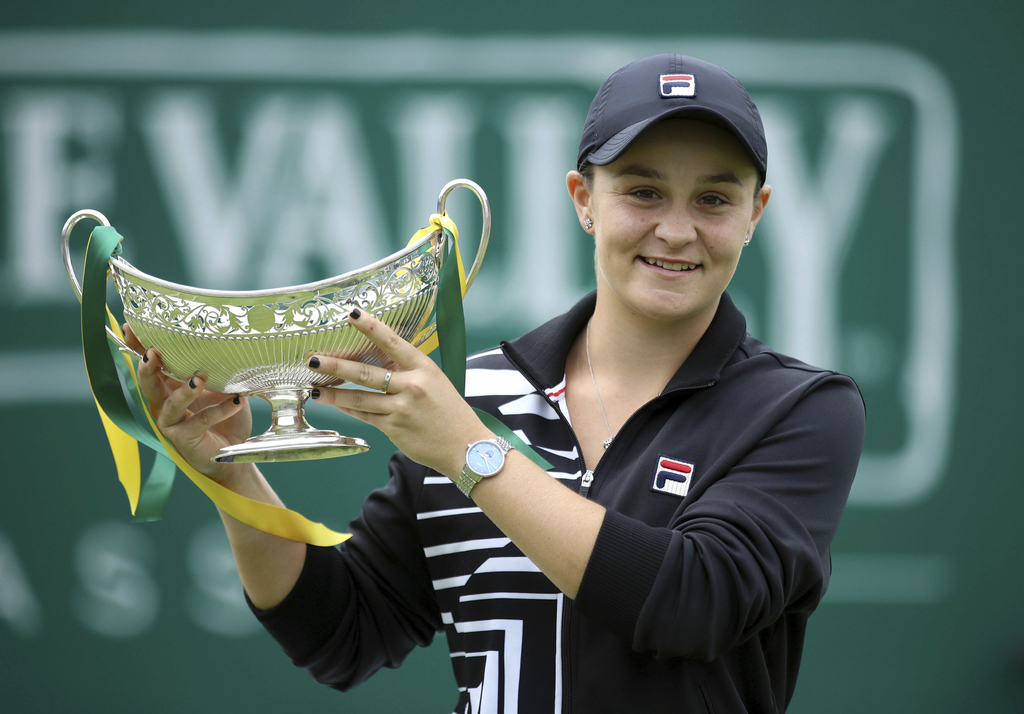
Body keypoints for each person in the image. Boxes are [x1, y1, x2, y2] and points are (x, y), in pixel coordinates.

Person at [128, 54, 865, 713]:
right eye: (642, 192)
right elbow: (343, 634)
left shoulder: (799, 409)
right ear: (584, 199)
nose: (676, 230)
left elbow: (691, 602)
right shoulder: (475, 395)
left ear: (755, 213)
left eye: (713, 199)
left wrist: (471, 453)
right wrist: (231, 473)